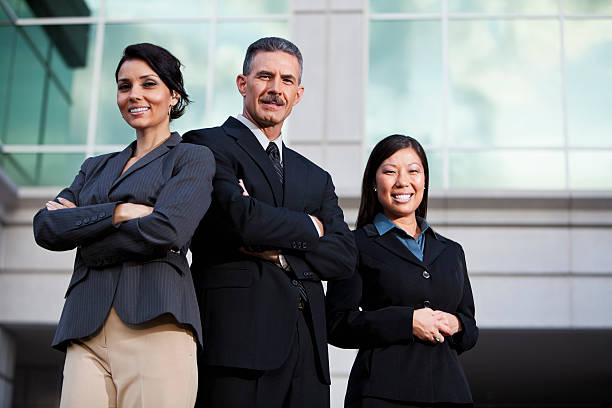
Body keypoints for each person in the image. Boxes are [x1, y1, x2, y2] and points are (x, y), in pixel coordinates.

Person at [33, 43, 214, 408]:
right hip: (85, 326)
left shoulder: (191, 157)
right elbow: (46, 228)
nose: (134, 95)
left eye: (148, 84)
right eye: (124, 86)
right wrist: (118, 212)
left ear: (172, 95)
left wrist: (84, 233)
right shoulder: (95, 167)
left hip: (156, 320)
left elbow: (168, 230)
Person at [182, 37, 357, 408]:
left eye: (287, 80)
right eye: (265, 76)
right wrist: (312, 226)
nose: (276, 89)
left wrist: (279, 253)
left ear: (299, 93)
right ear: (243, 84)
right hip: (236, 346)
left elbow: (343, 256)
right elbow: (240, 221)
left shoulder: (316, 176)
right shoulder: (205, 146)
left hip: (307, 354)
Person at [326, 134, 478, 408]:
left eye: (413, 171)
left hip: (450, 393)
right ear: (374, 181)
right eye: (390, 171)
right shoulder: (356, 244)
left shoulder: (451, 251)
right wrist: (407, 322)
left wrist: (457, 324)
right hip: (382, 394)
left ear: (424, 181)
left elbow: (470, 328)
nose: (402, 181)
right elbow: (337, 325)